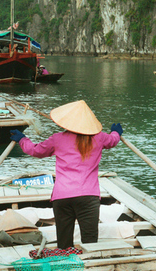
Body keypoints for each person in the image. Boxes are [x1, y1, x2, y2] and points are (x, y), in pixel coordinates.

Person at [10, 100, 122, 248]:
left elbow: (36, 150)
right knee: (90, 242)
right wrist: (116, 132)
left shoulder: (57, 139)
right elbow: (112, 140)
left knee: (63, 243)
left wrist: (23, 140)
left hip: (62, 197)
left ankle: (65, 266)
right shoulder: (100, 137)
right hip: (88, 197)